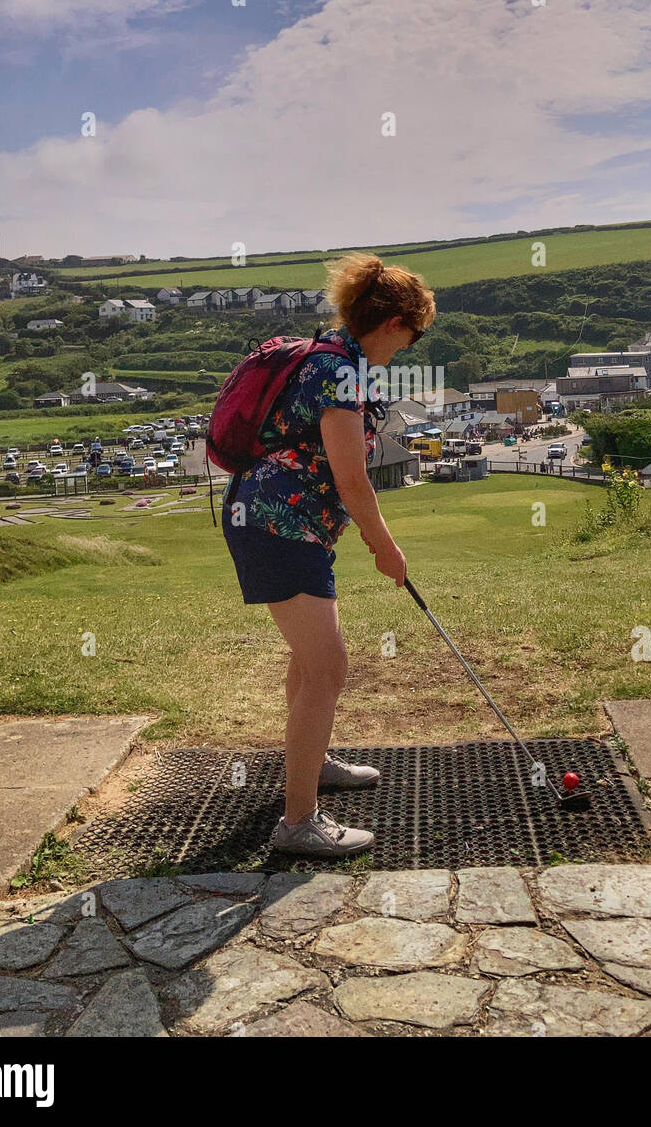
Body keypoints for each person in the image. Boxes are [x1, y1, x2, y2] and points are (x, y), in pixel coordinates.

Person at [223, 253, 436, 857]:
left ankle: (310, 767)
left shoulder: (333, 357)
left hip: (288, 526)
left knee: (309, 663)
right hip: (275, 526)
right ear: (394, 322)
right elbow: (352, 479)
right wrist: (385, 547)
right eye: (412, 335)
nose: (409, 348)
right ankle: (298, 824)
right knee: (328, 668)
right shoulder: (339, 370)